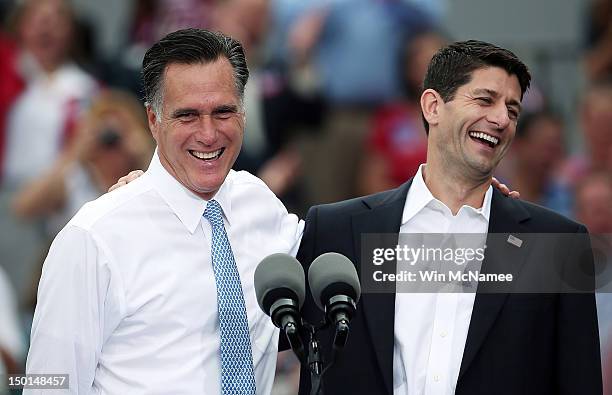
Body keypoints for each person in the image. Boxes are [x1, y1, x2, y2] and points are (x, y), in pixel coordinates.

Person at [295, 40, 602, 395]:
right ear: (432, 106)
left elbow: (579, 380)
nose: (501, 119)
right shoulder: (337, 231)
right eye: (485, 100)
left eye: (513, 110)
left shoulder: (555, 244)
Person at [25, 28, 302, 394]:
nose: (208, 134)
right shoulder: (94, 238)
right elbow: (48, 384)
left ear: (244, 113)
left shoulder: (259, 203)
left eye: (223, 112)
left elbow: (361, 254)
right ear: (154, 121)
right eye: (187, 115)